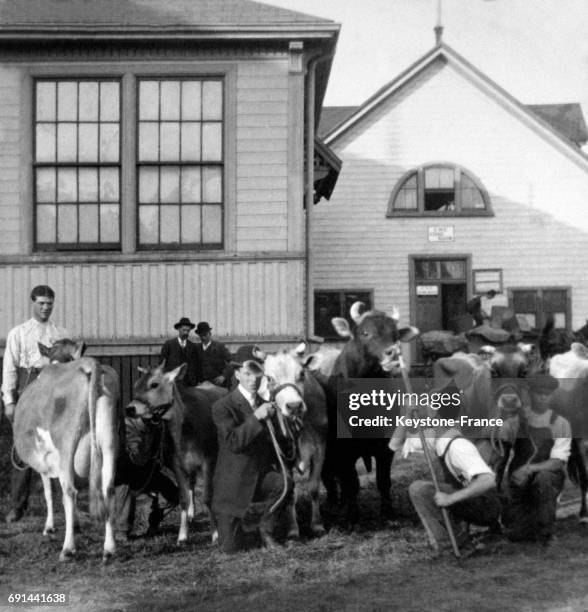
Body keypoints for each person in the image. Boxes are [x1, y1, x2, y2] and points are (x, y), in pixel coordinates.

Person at [1, 285, 70, 523]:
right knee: (23, 447)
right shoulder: (19, 332)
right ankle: (18, 505)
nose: (45, 307)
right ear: (32, 303)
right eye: (41, 303)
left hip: (56, 388)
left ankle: (67, 506)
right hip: (29, 387)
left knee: (61, 445)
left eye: (49, 303)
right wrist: (9, 402)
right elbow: (10, 369)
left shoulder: (61, 333)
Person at [211, 358, 293, 554]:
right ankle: (243, 521)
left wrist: (287, 424)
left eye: (257, 374)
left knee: (284, 483)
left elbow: (281, 448)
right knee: (230, 549)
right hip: (233, 485)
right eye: (247, 373)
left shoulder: (268, 405)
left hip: (259, 478)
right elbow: (233, 442)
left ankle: (266, 529)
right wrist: (256, 417)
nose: (253, 379)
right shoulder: (222, 406)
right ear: (237, 375)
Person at [408, 398, 501, 555]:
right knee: (422, 489)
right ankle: (453, 543)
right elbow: (400, 441)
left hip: (486, 507)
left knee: (420, 490)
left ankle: (454, 546)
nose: (424, 410)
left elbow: (488, 480)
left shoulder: (458, 446)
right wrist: (408, 415)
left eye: (428, 407)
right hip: (470, 500)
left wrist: (450, 498)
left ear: (435, 415)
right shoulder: (439, 438)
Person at [502, 373, 571, 545]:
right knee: (516, 535)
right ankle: (516, 523)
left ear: (552, 395)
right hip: (518, 479)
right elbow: (500, 451)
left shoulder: (560, 423)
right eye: (539, 392)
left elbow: (557, 462)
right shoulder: (516, 420)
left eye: (547, 393)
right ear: (530, 393)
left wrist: (529, 469)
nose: (543, 397)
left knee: (544, 479)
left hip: (546, 477)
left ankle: (546, 533)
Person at [114, 411, 179, 540]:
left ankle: (151, 523)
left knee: (173, 495)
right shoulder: (126, 425)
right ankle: (121, 532)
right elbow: (135, 455)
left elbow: (165, 452)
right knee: (125, 487)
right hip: (123, 473)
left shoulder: (157, 426)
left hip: (146, 471)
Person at [160, 317, 201, 387]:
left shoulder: (193, 347)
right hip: (172, 382)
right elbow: (162, 364)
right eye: (184, 330)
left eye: (188, 331)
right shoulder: (169, 344)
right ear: (178, 329)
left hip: (188, 384)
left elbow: (196, 366)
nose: (186, 333)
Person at [195, 321, 233, 388]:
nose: (203, 338)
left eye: (205, 335)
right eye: (201, 336)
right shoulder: (196, 348)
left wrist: (223, 376)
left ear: (210, 334)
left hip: (219, 384)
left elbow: (232, 363)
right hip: (202, 385)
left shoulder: (219, 347)